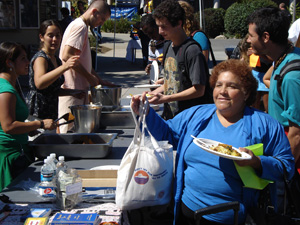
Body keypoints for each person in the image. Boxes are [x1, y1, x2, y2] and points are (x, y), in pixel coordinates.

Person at [131, 59, 295, 225]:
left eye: (232, 86)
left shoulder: (265, 124)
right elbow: (167, 133)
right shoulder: (197, 114)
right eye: (218, 85)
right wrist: (145, 113)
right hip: (187, 214)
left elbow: (286, 168)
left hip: (236, 218)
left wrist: (257, 162)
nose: (222, 91)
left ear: (245, 93)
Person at [247, 7, 300, 173]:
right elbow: (267, 79)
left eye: (250, 35)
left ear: (266, 37)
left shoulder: (292, 76)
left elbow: (296, 134)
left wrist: (281, 172)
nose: (247, 40)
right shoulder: (284, 58)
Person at [0, 42, 56, 191]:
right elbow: (8, 126)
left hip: (16, 148)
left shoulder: (11, 84)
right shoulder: (6, 90)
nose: (28, 63)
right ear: (9, 63)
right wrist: (40, 124)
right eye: (23, 59)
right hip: (10, 155)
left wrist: (27, 129)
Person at [58, 0, 115, 133]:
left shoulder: (81, 25)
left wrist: (98, 79)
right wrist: (89, 77)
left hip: (78, 91)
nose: (101, 23)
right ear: (94, 12)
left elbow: (83, 62)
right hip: (72, 90)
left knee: (76, 131)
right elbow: (67, 56)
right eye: (102, 19)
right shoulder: (80, 26)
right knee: (69, 131)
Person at [149, 0, 209, 120]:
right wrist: (155, 93)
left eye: (164, 27)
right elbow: (173, 82)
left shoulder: (192, 51)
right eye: (158, 26)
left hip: (189, 119)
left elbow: (199, 90)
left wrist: (166, 98)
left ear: (178, 23)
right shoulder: (167, 46)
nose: (160, 31)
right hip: (170, 117)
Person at [26, 20, 80, 121]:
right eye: (50, 36)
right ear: (41, 37)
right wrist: (65, 67)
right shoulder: (41, 58)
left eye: (58, 36)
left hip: (51, 116)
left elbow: (51, 90)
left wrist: (73, 93)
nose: (55, 39)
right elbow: (40, 83)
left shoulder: (55, 59)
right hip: (37, 117)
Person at [140, 14, 165, 78]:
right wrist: (150, 69)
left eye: (151, 32)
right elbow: (153, 63)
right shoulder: (152, 43)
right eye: (147, 34)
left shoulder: (169, 39)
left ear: (157, 26)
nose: (150, 36)